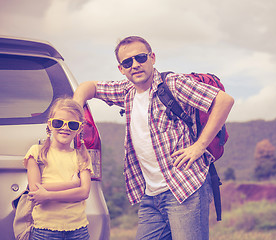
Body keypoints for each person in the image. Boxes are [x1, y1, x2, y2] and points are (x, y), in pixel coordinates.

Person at [73, 36, 234, 240]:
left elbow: (224, 101)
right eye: (127, 62)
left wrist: (199, 146)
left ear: (152, 58)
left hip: (185, 188)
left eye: (140, 57)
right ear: (121, 68)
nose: (135, 65)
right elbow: (90, 87)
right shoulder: (126, 92)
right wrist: (76, 108)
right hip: (150, 196)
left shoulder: (174, 84)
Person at [25, 97, 93, 240]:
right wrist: (73, 184)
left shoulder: (82, 157)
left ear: (80, 128)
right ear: (49, 124)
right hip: (45, 230)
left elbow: (84, 192)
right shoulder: (36, 153)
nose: (65, 127)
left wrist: (48, 195)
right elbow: (35, 190)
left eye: (72, 124)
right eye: (58, 123)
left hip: (78, 230)